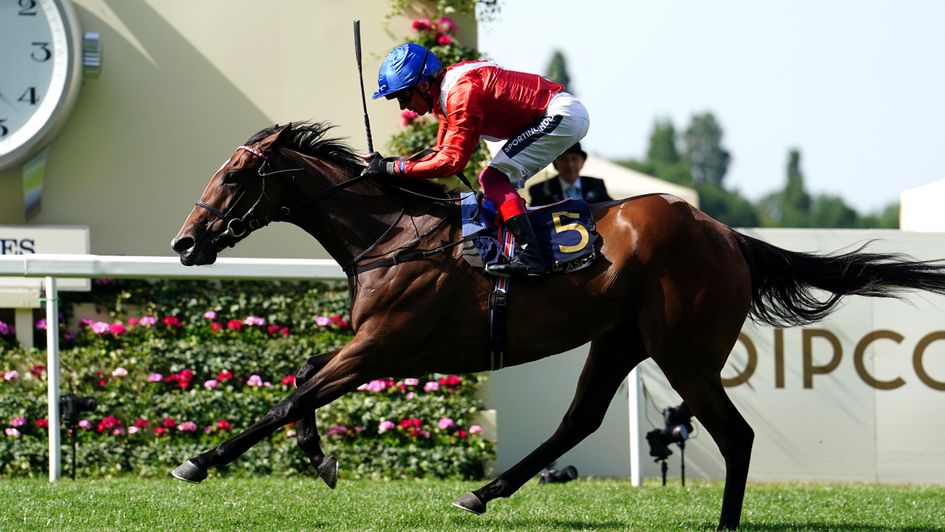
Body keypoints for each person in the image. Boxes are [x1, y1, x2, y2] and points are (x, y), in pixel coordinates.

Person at [362, 43, 590, 277]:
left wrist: (393, 169)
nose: (403, 106)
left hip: (560, 114)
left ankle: (531, 256)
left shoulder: (461, 92)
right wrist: (388, 163)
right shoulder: (447, 91)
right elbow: (440, 151)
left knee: (493, 177)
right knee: (494, 177)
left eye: (403, 95)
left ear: (423, 84)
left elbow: (452, 162)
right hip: (558, 113)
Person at [527, 142, 612, 206]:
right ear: (555, 163)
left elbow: (612, 208)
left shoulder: (597, 185)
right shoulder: (540, 190)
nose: (570, 165)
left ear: (582, 162)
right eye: (564, 159)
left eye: (574, 159)